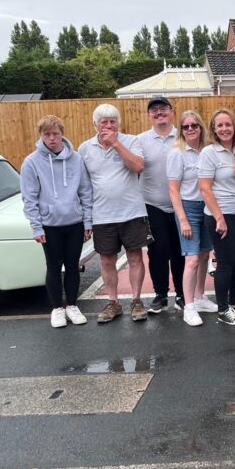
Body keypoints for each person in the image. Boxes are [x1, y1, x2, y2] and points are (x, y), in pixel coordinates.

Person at [78, 104, 150, 323]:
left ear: (118, 123)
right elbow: (83, 186)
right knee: (107, 261)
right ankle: (113, 302)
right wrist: (86, 219)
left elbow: (138, 166)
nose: (108, 126)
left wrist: (116, 143)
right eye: (104, 122)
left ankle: (136, 301)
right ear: (95, 125)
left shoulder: (131, 141)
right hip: (102, 215)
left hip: (132, 212)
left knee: (135, 257)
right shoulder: (85, 149)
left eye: (112, 121)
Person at [21, 115, 93, 328]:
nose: (52, 139)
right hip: (49, 225)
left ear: (62, 134)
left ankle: (72, 305)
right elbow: (29, 197)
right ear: (41, 136)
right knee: (53, 266)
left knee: (72, 266)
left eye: (56, 134)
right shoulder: (31, 162)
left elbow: (85, 191)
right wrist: (36, 226)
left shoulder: (77, 159)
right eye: (47, 134)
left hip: (74, 222)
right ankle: (57, 309)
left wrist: (88, 221)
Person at [199, 108, 235, 326]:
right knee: (226, 262)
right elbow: (205, 188)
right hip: (220, 215)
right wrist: (219, 218)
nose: (224, 129)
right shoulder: (209, 153)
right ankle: (223, 308)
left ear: (234, 127)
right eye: (220, 125)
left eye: (228, 124)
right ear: (213, 129)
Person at [167, 110, 218, 327]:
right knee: (192, 258)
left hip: (206, 206)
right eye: (186, 126)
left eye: (194, 125)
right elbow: (173, 190)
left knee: (205, 255)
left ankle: (199, 298)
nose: (190, 130)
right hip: (188, 208)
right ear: (181, 130)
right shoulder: (176, 153)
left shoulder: (208, 150)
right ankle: (188, 306)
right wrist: (183, 219)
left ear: (200, 127)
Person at [136, 95, 185, 315]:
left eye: (163, 108)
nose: (159, 112)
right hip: (152, 204)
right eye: (154, 110)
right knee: (158, 251)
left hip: (182, 205)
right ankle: (160, 294)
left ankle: (183, 294)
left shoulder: (183, 136)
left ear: (171, 111)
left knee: (180, 251)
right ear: (149, 115)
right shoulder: (140, 140)